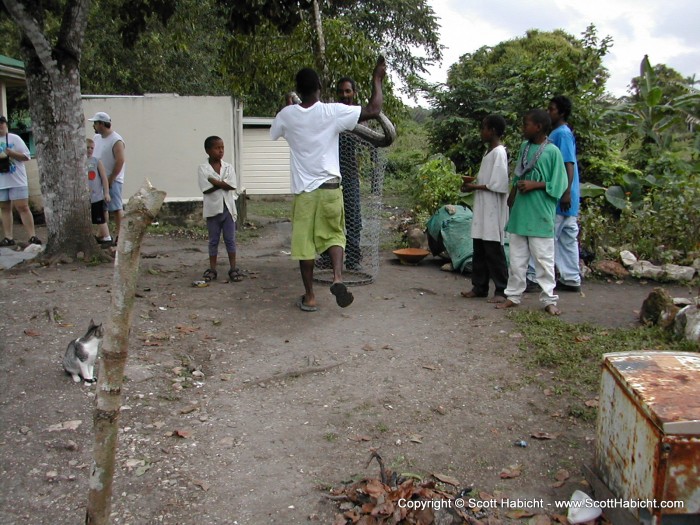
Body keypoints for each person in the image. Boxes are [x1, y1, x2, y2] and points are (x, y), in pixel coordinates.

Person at [270, 56, 386, 311]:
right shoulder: (332, 111)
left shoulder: (286, 115)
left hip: (305, 193)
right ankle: (337, 277)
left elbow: (275, 133)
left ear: (298, 90)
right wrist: (377, 79)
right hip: (331, 188)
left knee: (305, 246)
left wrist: (287, 107)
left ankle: (310, 297)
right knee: (335, 235)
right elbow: (374, 109)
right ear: (320, 88)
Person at [495, 109, 567, 316]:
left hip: (540, 214)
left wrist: (537, 185)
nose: (523, 128)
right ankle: (513, 296)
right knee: (517, 259)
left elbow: (560, 183)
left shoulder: (552, 152)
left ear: (539, 127)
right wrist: (513, 194)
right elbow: (518, 174)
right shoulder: (524, 148)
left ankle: (549, 299)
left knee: (544, 259)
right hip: (521, 212)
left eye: (526, 125)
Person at [525, 96, 582, 293]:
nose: (548, 112)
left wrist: (565, 192)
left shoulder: (561, 134)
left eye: (551, 109)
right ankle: (571, 277)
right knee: (567, 238)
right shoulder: (562, 133)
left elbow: (568, 163)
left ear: (562, 113)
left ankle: (532, 276)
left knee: (543, 236)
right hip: (568, 196)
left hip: (559, 196)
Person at [460, 114, 509, 303]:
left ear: (493, 131)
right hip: (483, 207)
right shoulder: (489, 153)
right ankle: (479, 286)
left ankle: (501, 290)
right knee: (479, 247)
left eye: (484, 128)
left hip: (492, 209)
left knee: (493, 250)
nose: (482, 132)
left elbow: (498, 184)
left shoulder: (499, 153)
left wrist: (473, 187)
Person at [316, 76, 363, 271]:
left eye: (348, 91)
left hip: (350, 174)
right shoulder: (331, 113)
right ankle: (328, 258)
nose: (344, 95)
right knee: (329, 217)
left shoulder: (358, 115)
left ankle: (352, 259)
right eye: (341, 92)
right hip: (330, 174)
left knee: (353, 217)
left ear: (354, 93)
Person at [197, 135, 243, 283]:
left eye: (222, 147)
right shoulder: (203, 168)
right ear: (208, 150)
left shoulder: (228, 167)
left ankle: (233, 268)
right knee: (213, 240)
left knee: (230, 239)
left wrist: (215, 181)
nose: (221, 151)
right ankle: (212, 269)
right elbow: (206, 189)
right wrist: (222, 183)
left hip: (228, 209)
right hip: (212, 209)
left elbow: (232, 185)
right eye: (217, 148)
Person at [0, 115, 41, 246]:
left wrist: (11, 154)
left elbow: (26, 156)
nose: (0, 126)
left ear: (6, 124)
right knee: (4, 208)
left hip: (17, 179)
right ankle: (8, 236)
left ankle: (32, 236)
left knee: (22, 207)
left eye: (2, 123)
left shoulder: (14, 138)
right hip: (2, 180)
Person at [88, 112, 126, 239]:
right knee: (101, 207)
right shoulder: (97, 138)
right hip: (98, 179)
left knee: (116, 207)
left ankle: (120, 236)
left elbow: (120, 160)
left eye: (95, 123)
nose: (94, 126)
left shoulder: (116, 140)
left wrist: (111, 178)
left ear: (101, 124)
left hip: (112, 178)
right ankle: (103, 234)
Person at [86, 138, 112, 245]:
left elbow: (104, 178)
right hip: (86, 197)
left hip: (97, 196)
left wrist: (106, 193)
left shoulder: (96, 161)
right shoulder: (79, 163)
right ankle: (99, 236)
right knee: (92, 218)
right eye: (87, 147)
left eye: (92, 148)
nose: (89, 150)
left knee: (100, 218)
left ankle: (107, 237)